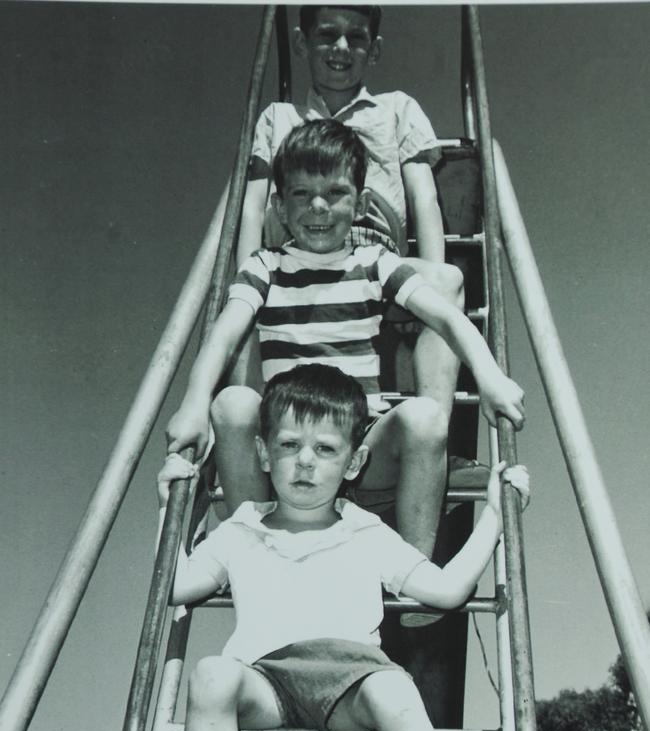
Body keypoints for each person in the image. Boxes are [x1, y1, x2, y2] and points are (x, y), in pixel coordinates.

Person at [144, 364, 531, 731]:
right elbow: (175, 586)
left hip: (350, 691)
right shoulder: (242, 528)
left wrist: (497, 516)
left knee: (394, 687)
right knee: (212, 673)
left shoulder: (364, 530)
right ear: (263, 452)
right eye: (288, 445)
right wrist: (165, 513)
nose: (305, 462)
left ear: (354, 462)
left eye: (325, 449)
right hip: (270, 694)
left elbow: (446, 591)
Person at [166, 119, 525, 559]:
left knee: (427, 418)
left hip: (360, 449)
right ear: (279, 207)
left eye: (335, 193)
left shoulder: (374, 263)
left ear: (360, 205)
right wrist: (193, 403)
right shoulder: (264, 267)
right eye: (301, 194)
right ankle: (255, 557)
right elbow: (222, 338)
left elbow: (447, 318)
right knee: (231, 403)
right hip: (285, 450)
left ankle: (412, 569)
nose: (318, 207)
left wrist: (490, 378)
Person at [232, 4, 458, 412]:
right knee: (241, 310)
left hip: (372, 257)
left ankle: (431, 428)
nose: (341, 47)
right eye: (327, 34)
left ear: (373, 50)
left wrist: (420, 285)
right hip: (293, 255)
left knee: (447, 280)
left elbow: (424, 197)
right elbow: (252, 204)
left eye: (356, 37)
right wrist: (245, 279)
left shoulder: (397, 109)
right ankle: (251, 424)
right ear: (302, 42)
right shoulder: (279, 117)